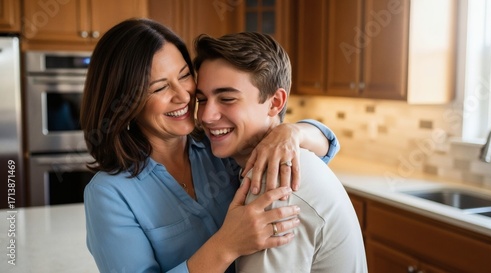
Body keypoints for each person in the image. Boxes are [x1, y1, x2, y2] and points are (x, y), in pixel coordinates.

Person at [81, 18, 339, 273]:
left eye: (184, 76)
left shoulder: (219, 145)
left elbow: (326, 147)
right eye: (160, 88)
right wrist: (225, 246)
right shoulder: (109, 194)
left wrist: (290, 131)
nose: (183, 96)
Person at [194, 32, 368, 273]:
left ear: (275, 102)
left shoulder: (274, 182)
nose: (206, 116)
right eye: (201, 100)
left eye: (227, 98)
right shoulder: (277, 158)